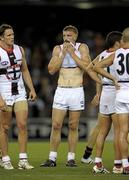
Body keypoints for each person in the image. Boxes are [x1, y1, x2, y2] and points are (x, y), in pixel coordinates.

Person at [40, 25, 100, 167]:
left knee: (73, 125)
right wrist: (63, 55)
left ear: (75, 37)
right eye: (65, 36)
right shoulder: (58, 49)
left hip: (76, 90)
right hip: (61, 90)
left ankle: (71, 158)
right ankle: (52, 158)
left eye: (69, 36)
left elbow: (88, 67)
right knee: (56, 125)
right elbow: (51, 70)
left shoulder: (82, 48)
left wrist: (72, 54)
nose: (66, 39)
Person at [82, 31, 123, 174]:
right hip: (116, 92)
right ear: (117, 43)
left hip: (105, 93)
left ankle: (98, 163)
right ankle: (118, 165)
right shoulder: (117, 55)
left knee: (102, 132)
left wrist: (100, 82)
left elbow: (89, 68)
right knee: (119, 132)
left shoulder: (103, 54)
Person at [0, 24, 37, 170]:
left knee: (22, 125)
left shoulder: (20, 49)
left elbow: (25, 69)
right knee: (5, 127)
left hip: (20, 91)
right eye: (8, 35)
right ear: (1, 37)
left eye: (13, 34)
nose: (12, 37)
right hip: (4, 92)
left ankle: (23, 160)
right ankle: (5, 158)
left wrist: (31, 89)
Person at [94, 27, 129, 174]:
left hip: (120, 93)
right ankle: (119, 164)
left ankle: (125, 165)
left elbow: (96, 66)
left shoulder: (116, 54)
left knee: (121, 132)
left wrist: (113, 78)